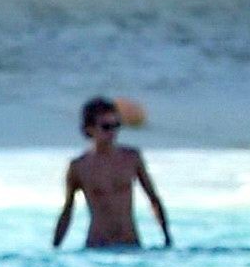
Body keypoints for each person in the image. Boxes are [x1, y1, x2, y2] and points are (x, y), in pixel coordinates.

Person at [52, 97, 173, 249]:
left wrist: (167, 238)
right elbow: (68, 210)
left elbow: (153, 199)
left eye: (116, 125)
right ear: (90, 129)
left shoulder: (131, 158)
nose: (113, 132)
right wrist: (55, 249)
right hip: (97, 245)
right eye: (106, 126)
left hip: (130, 243)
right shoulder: (79, 166)